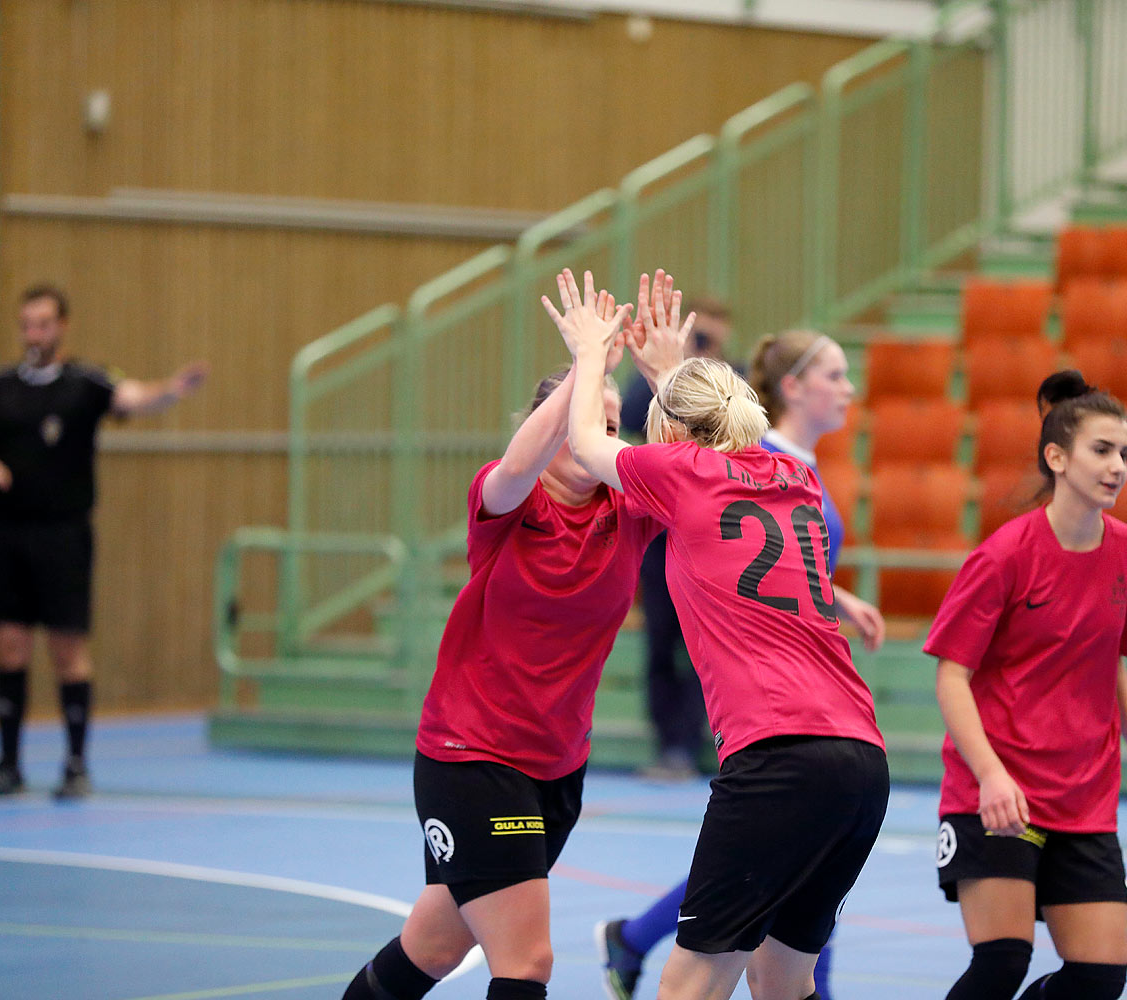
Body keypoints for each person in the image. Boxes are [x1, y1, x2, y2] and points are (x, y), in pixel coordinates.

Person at [339, 270, 684, 1000]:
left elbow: (695, 471)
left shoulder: (629, 516)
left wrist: (666, 373)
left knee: (428, 950)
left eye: (614, 425)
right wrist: (590, 365)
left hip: (556, 770)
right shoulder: (508, 501)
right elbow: (521, 460)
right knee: (527, 965)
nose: (601, 435)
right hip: (474, 758)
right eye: (592, 418)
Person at [557, 273, 890, 1000]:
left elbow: (584, 442)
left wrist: (591, 354)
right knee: (784, 984)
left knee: (688, 986)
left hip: (778, 754)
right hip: (860, 760)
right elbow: (722, 433)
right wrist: (673, 372)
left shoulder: (682, 472)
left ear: (672, 433)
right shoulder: (791, 476)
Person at [928, 370, 1127, 1000]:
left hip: (1085, 794)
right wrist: (991, 775)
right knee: (1002, 961)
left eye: (1125, 454)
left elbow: (1107, 651)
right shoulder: (1005, 555)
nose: (1117, 466)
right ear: (1056, 458)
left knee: (1097, 978)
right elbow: (952, 674)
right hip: (1001, 793)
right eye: (1101, 450)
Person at [0, 283, 207, 801]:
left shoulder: (84, 382)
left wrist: (172, 389)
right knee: (9, 646)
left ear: (62, 327)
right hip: (7, 532)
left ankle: (75, 765)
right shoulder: (1, 386)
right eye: (27, 324)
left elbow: (132, 397)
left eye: (44, 324)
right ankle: (7, 765)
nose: (34, 334)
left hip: (63, 534)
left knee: (67, 648)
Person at [619, 298, 735, 781]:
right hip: (661, 541)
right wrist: (674, 367)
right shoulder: (649, 383)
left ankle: (705, 743)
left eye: (713, 334)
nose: (705, 341)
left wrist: (707, 367)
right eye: (698, 333)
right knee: (661, 646)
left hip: (709, 543)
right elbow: (627, 418)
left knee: (709, 649)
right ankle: (671, 746)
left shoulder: (732, 381)